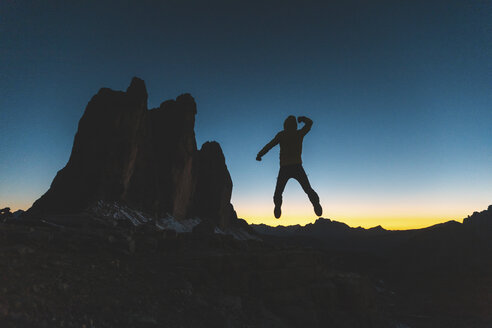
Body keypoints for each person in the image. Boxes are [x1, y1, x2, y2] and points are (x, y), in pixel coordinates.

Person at [256, 115, 322, 219]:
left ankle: (277, 206)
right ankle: (316, 204)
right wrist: (303, 119)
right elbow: (310, 123)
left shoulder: (281, 135)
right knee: (308, 189)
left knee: (278, 191)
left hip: (285, 168)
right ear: (295, 125)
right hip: (297, 166)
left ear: (285, 125)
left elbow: (270, 145)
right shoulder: (299, 133)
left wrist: (260, 154)